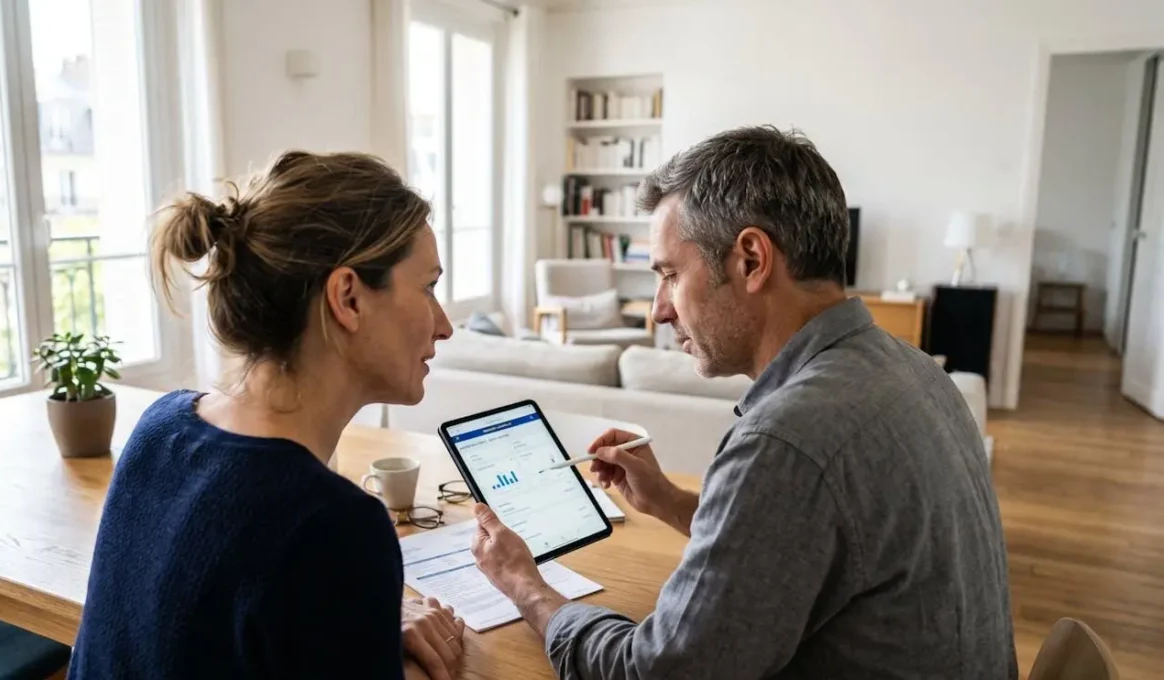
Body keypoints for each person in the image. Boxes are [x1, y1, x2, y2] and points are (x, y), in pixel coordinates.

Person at [471, 126, 1017, 679]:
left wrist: (526, 587)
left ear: (752, 259)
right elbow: (794, 554)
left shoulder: (787, 440)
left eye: (669, 274)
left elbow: (656, 674)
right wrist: (668, 501)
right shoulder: (918, 371)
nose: (659, 310)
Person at [68, 151, 466, 680]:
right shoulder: (335, 525)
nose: (444, 325)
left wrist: (355, 624)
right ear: (348, 297)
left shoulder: (158, 427)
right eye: (428, 287)